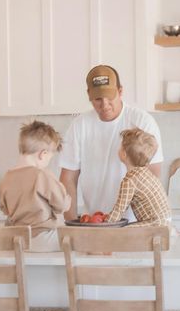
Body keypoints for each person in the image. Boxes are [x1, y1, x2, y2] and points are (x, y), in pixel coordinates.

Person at [58, 64, 163, 218]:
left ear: (120, 91)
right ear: (89, 95)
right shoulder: (79, 125)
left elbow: (153, 174)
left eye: (110, 98)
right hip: (94, 220)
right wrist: (71, 223)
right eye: (98, 99)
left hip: (136, 222)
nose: (105, 105)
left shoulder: (142, 121)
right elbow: (68, 178)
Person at [0, 120, 71, 252]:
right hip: (43, 239)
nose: (48, 161)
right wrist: (67, 198)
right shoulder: (42, 175)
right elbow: (62, 205)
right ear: (42, 154)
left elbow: (5, 210)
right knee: (79, 240)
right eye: (50, 157)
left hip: (17, 241)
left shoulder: (6, 178)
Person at [107, 128, 171, 228]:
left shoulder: (130, 181)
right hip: (165, 220)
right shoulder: (145, 173)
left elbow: (119, 209)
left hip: (156, 224)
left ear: (124, 154)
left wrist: (105, 224)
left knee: (122, 231)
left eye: (120, 147)